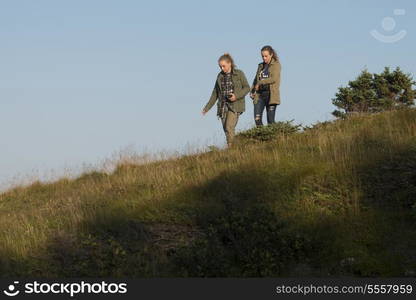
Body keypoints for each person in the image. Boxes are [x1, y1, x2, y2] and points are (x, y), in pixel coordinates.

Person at [202, 53, 250, 147]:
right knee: (226, 129)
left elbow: (247, 88)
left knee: (229, 126)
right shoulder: (219, 76)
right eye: (220, 66)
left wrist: (236, 96)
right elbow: (215, 93)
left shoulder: (239, 73)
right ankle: (235, 146)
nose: (222, 68)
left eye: (223, 66)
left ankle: (231, 148)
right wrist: (207, 108)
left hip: (235, 105)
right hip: (222, 106)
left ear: (230, 63)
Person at [250, 45, 281, 127]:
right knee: (257, 119)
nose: (264, 58)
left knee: (270, 121)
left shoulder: (276, 65)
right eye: (262, 56)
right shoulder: (260, 66)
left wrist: (261, 82)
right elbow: (255, 79)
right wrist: (252, 91)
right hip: (259, 95)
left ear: (271, 55)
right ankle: (261, 138)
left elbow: (273, 79)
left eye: (266, 56)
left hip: (271, 95)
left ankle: (274, 139)